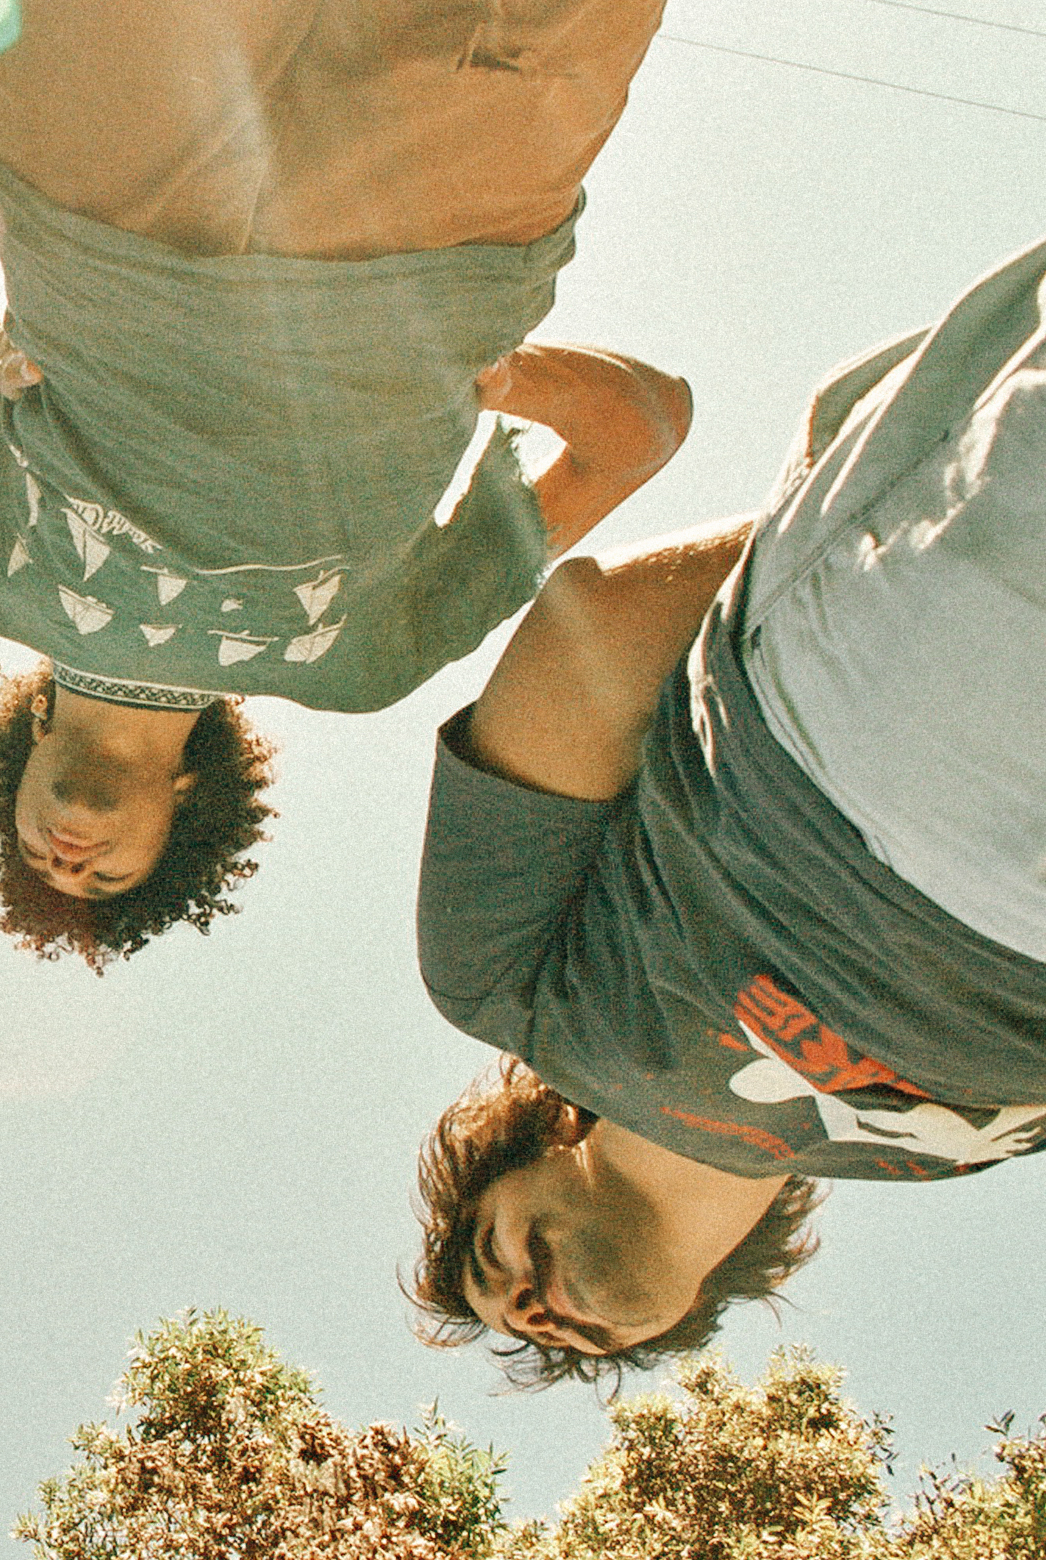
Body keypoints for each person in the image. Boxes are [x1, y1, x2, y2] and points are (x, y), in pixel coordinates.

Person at [0, 0, 690, 966]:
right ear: (186, 813)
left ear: (16, 772)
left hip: (101, 202)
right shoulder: (361, 668)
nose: (68, 862)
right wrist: (505, 377)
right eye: (105, 877)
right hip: (439, 229)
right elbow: (644, 432)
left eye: (38, 860)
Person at [407, 230, 1046, 1386]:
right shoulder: (941, 1165)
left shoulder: (515, 994)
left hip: (888, 718)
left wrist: (851, 519)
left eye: (485, 1259)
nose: (522, 1306)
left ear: (534, 1145)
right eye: (542, 1336)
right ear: (680, 1318)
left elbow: (585, 640)